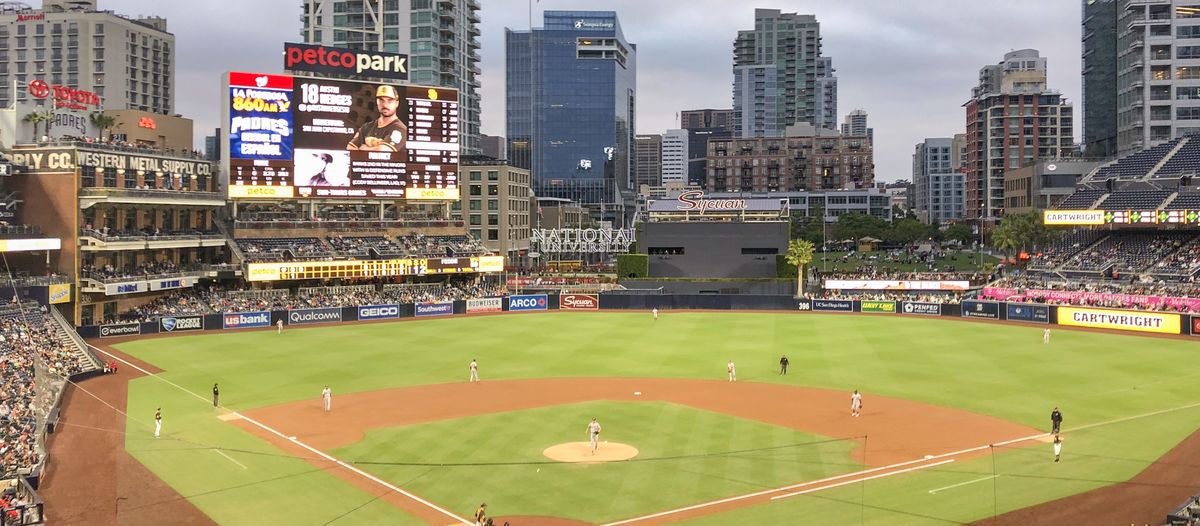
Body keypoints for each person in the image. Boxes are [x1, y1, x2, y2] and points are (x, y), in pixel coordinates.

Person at [347, 85, 408, 153]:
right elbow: (350, 147)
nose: (385, 105)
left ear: (397, 103)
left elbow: (383, 151)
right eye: (381, 100)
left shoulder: (400, 128)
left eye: (389, 101)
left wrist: (363, 148)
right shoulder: (366, 127)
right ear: (377, 102)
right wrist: (376, 148)